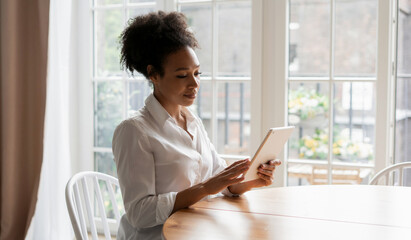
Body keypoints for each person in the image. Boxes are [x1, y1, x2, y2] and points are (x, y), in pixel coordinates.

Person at [112, 11, 281, 240]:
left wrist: (251, 180)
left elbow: (218, 178)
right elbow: (139, 213)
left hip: (197, 231)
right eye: (182, 75)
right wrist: (204, 188)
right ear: (153, 74)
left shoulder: (191, 120)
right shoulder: (134, 131)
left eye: (197, 73)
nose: (194, 83)